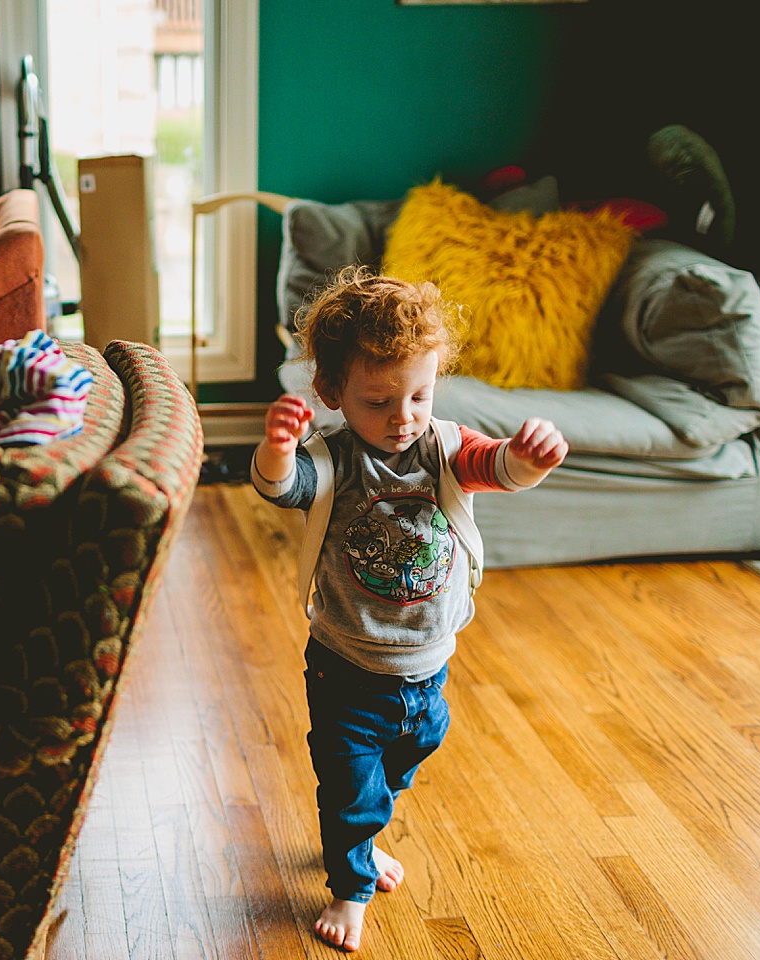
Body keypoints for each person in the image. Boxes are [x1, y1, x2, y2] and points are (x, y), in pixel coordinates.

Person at [252, 265, 568, 952]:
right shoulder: (333, 460)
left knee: (411, 755)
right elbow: (285, 488)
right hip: (346, 668)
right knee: (353, 787)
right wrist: (276, 451)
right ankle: (350, 884)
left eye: (420, 396)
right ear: (332, 392)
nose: (403, 418)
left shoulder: (444, 448)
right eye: (378, 401)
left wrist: (530, 457)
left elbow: (500, 466)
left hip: (429, 672)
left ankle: (357, 833)